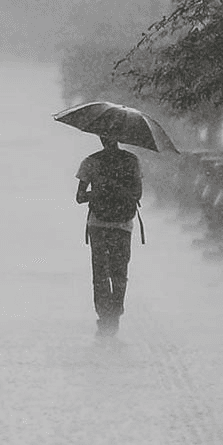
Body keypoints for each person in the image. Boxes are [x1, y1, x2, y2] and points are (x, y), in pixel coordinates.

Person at [75, 134, 143, 336]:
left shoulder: (91, 161)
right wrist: (119, 192)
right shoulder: (132, 161)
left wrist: (99, 192)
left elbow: (80, 197)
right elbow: (138, 194)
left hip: (98, 225)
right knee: (120, 271)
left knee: (100, 272)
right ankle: (116, 313)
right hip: (123, 225)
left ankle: (105, 315)